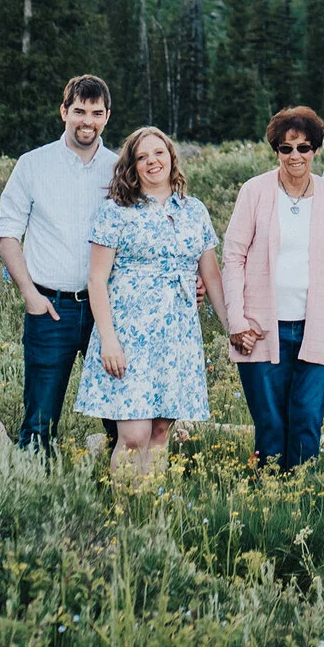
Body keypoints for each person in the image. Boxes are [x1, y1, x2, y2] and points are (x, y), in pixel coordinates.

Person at [74, 127, 226, 475]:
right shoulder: (116, 211)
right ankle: (126, 518)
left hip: (177, 335)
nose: (151, 162)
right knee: (133, 435)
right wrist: (108, 340)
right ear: (132, 166)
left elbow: (212, 275)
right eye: (141, 157)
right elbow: (97, 279)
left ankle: (148, 510)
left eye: (158, 153)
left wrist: (232, 327)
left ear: (172, 157)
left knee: (159, 432)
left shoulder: (194, 211)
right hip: (128, 334)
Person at [0, 76, 117, 451]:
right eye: (79, 110)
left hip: (108, 310)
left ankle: (127, 494)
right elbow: (6, 233)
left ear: (107, 117)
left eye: (96, 113)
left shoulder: (120, 169)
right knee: (39, 421)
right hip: (50, 307)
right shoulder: (33, 165)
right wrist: (30, 294)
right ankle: (34, 496)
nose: (87, 120)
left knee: (122, 415)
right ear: (64, 111)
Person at [222, 107, 324, 470]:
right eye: (286, 148)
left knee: (307, 417)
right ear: (276, 150)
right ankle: (270, 500)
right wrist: (236, 321)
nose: (295, 156)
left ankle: (303, 498)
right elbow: (233, 257)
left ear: (315, 150)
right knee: (271, 424)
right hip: (260, 328)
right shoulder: (255, 191)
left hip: (314, 326)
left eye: (304, 148)